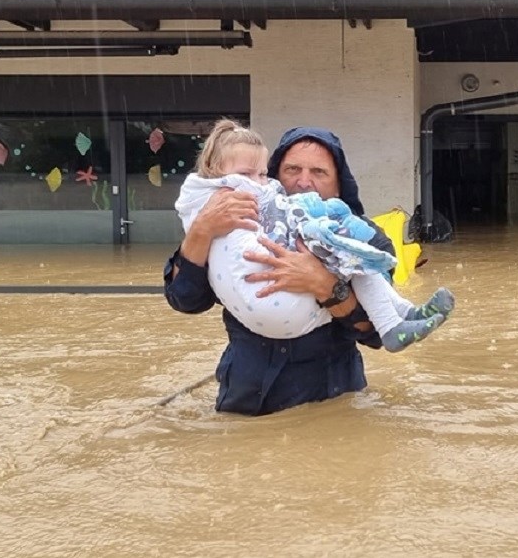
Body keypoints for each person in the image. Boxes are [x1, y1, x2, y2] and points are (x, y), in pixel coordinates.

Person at [164, 124, 450, 415]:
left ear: (339, 183)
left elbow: (375, 333)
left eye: (319, 172)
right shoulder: (232, 224)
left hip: (332, 401)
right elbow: (185, 300)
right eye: (292, 170)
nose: (303, 182)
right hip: (246, 399)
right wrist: (201, 230)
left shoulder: (363, 240)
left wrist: (325, 286)